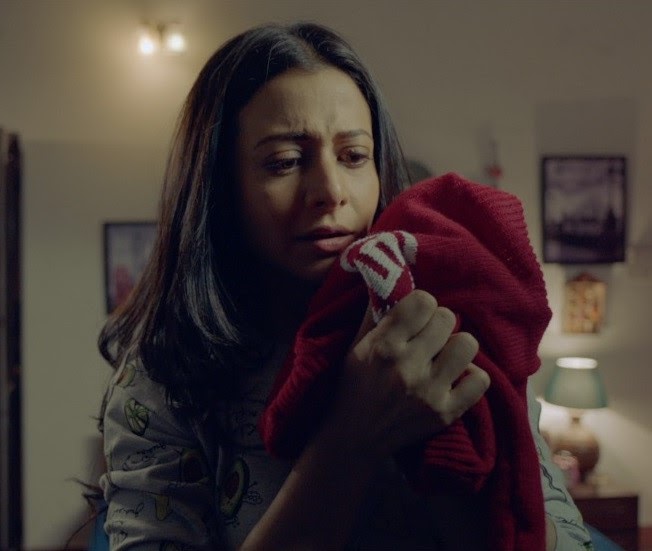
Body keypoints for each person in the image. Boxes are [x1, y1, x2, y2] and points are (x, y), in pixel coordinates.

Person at [98, 22, 591, 550]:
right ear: (221, 188)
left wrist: (455, 448)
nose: (330, 191)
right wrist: (350, 437)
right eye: (285, 162)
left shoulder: (452, 324)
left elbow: (560, 533)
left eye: (354, 156)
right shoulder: (163, 374)